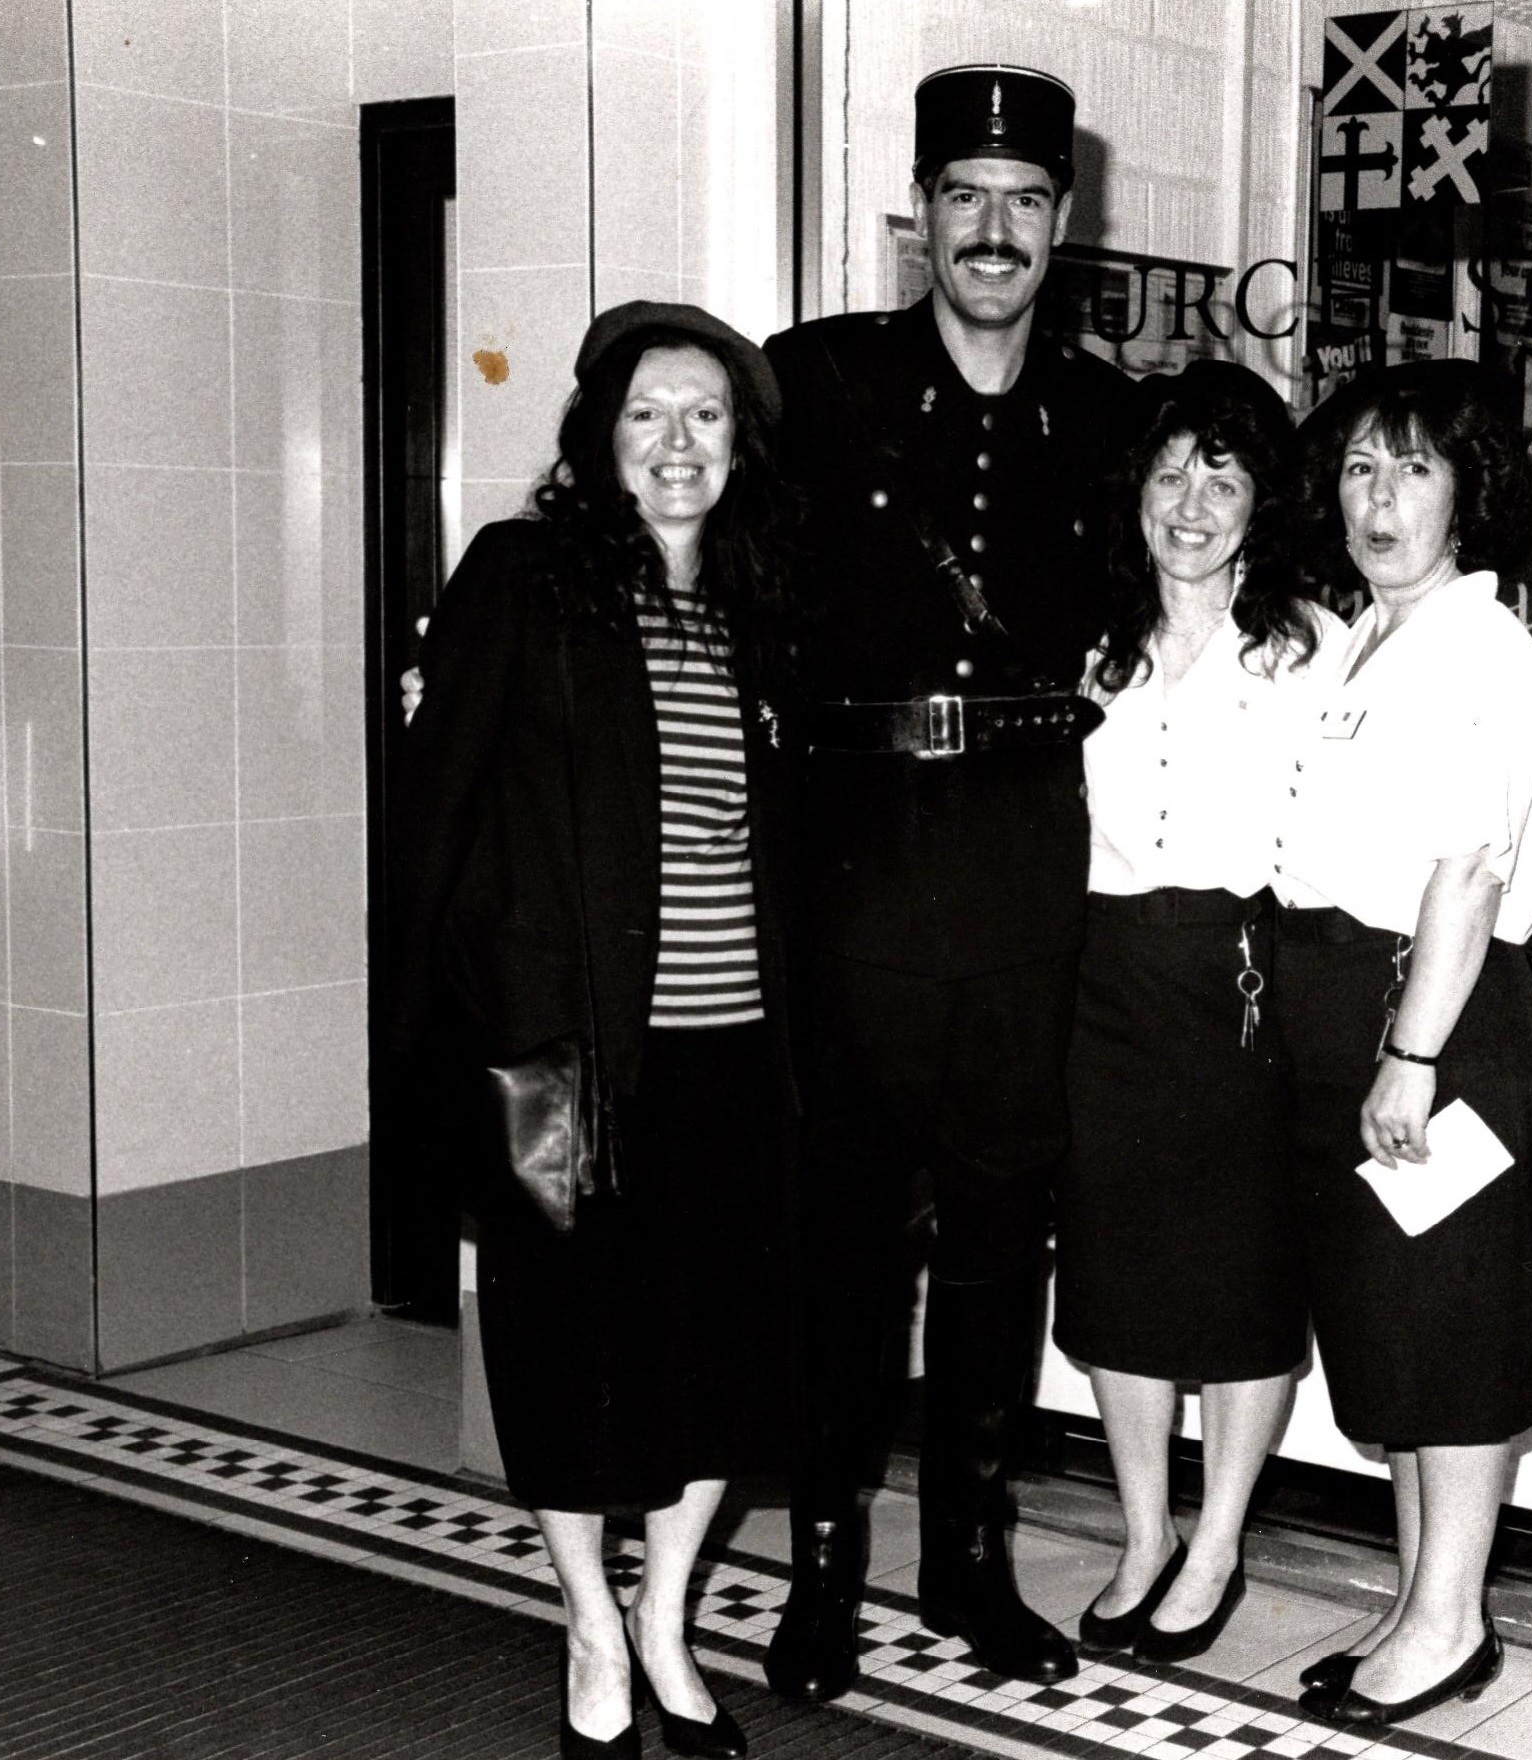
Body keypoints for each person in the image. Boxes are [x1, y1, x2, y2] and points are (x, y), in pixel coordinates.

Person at [759, 64, 1139, 1698]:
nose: (993, 231)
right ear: (919, 213)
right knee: (846, 1233)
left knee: (1001, 1227)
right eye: (964, 198)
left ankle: (968, 1565)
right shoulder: (812, 385)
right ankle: (826, 1573)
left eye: (1025, 202)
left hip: (1030, 856)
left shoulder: (1112, 420)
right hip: (853, 855)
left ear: (1067, 224)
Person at [392, 303, 800, 1760]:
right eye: (647, 415)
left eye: (705, 417)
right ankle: (584, 1620)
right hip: (560, 1059)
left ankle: (666, 1619)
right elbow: (433, 819)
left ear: (740, 443)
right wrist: (463, 1041)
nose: (678, 445)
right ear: (597, 435)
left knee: (720, 1353)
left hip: (733, 1051)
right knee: (567, 1351)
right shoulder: (524, 577)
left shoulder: (762, 601)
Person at [1275, 361, 1532, 1727]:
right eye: (1358, 470)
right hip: (1365, 1019)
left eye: (1414, 469)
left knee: (1447, 1331)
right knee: (1393, 1327)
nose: (1379, 500)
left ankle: (1449, 1625)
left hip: (1439, 1026)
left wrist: (1412, 1055)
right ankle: (1414, 1603)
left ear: (1468, 492)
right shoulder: (1360, 639)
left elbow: (1468, 870)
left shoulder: (1476, 644)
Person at [1054, 360, 1330, 1663]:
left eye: (1221, 475)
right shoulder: (1089, 645)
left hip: (1245, 980)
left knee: (1239, 1273)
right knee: (1117, 1271)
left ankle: (1218, 1537)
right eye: (1171, 472)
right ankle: (1144, 1530)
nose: (1192, 501)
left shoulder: (1313, 649)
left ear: (1261, 498)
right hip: (1104, 976)